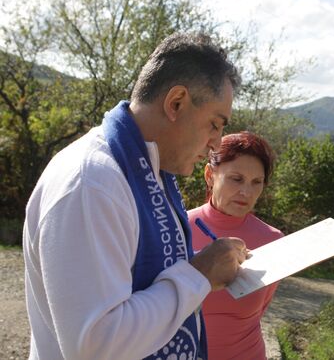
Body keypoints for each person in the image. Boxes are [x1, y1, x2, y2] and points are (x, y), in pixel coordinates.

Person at [22, 33, 249, 360]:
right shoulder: (93, 183)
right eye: (214, 124)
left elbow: (132, 266)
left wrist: (211, 262)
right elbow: (96, 345)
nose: (217, 143)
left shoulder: (148, 169)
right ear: (176, 103)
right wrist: (199, 275)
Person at [187, 132, 284, 360]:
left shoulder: (273, 239)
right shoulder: (175, 228)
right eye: (236, 179)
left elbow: (261, 309)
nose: (246, 192)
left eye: (256, 182)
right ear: (210, 175)